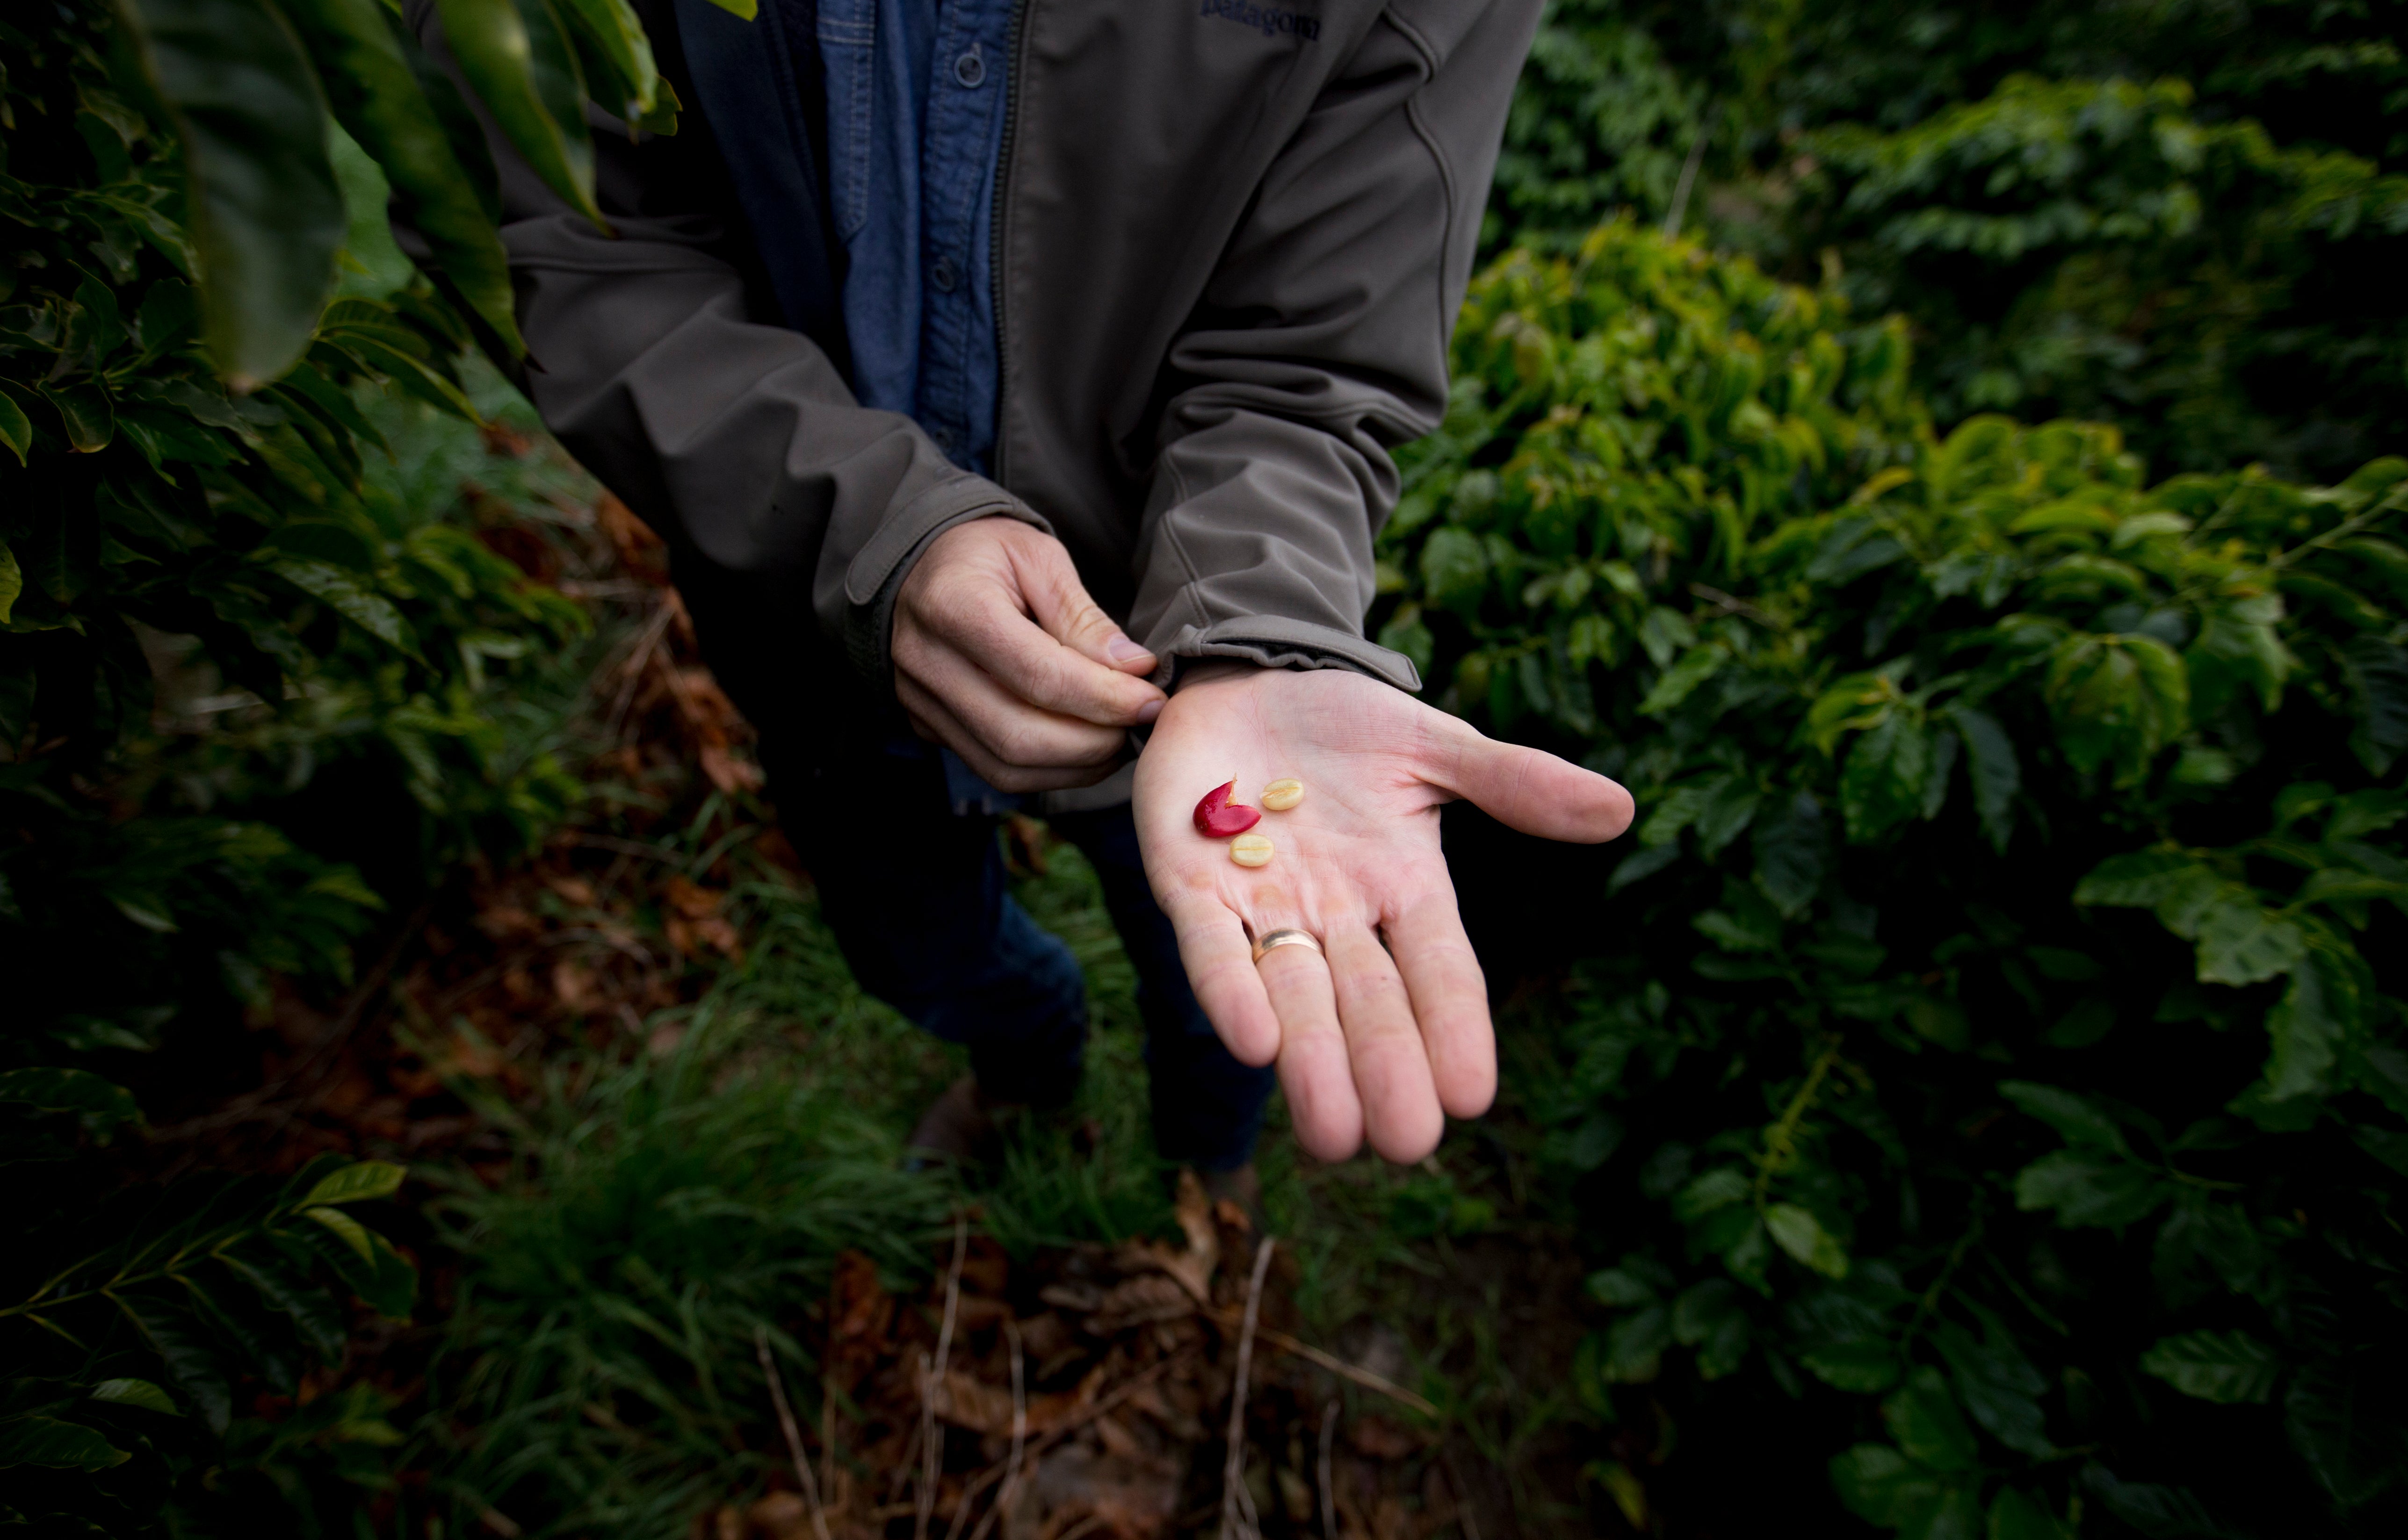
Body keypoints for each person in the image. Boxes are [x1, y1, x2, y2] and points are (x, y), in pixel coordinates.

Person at [407, 0, 1633, 1202]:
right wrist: (862, 533)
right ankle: (1026, 1054)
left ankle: (1208, 1158)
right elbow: (562, 225)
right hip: (817, 642)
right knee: (914, 946)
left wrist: (1252, 628)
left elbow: (1308, 352)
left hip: (1159, 665)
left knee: (1221, 974)